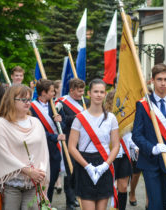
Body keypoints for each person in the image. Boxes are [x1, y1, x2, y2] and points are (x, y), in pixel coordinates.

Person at [0, 84, 50, 210]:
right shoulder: (1, 123)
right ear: (11, 100)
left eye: (29, 99)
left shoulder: (35, 122)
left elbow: (43, 152)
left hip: (33, 183)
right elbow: (3, 153)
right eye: (23, 99)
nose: (27, 103)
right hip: (11, 183)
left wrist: (40, 173)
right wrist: (27, 171)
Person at [132, 63, 166, 210]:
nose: (163, 83)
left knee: (164, 202)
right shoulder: (143, 105)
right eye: (159, 79)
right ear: (152, 81)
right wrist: (152, 148)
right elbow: (136, 135)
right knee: (155, 204)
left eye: (165, 79)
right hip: (150, 162)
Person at [68, 78, 120, 210]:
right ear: (89, 93)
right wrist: (87, 167)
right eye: (95, 91)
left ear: (105, 94)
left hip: (104, 162)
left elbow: (115, 146)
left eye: (102, 92)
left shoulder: (111, 118)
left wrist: (105, 165)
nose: (98, 95)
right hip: (85, 164)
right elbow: (72, 147)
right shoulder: (79, 118)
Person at [30, 79, 66, 202]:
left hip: (54, 150)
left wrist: (60, 121)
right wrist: (54, 137)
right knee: (40, 179)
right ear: (44, 93)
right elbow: (34, 131)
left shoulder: (56, 106)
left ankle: (48, 204)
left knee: (52, 179)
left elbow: (64, 126)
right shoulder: (31, 108)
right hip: (39, 148)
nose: (54, 93)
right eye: (51, 91)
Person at [56, 78, 88, 209]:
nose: (81, 94)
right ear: (71, 90)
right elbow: (60, 121)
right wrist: (79, 117)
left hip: (85, 140)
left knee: (81, 170)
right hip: (69, 139)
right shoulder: (61, 103)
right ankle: (70, 200)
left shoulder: (86, 102)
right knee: (70, 170)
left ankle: (77, 195)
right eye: (79, 91)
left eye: (83, 91)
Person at [105, 90, 138, 210]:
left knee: (123, 187)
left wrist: (135, 147)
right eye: (117, 101)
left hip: (123, 154)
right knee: (108, 186)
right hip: (109, 156)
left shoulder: (126, 116)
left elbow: (128, 136)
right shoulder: (104, 117)